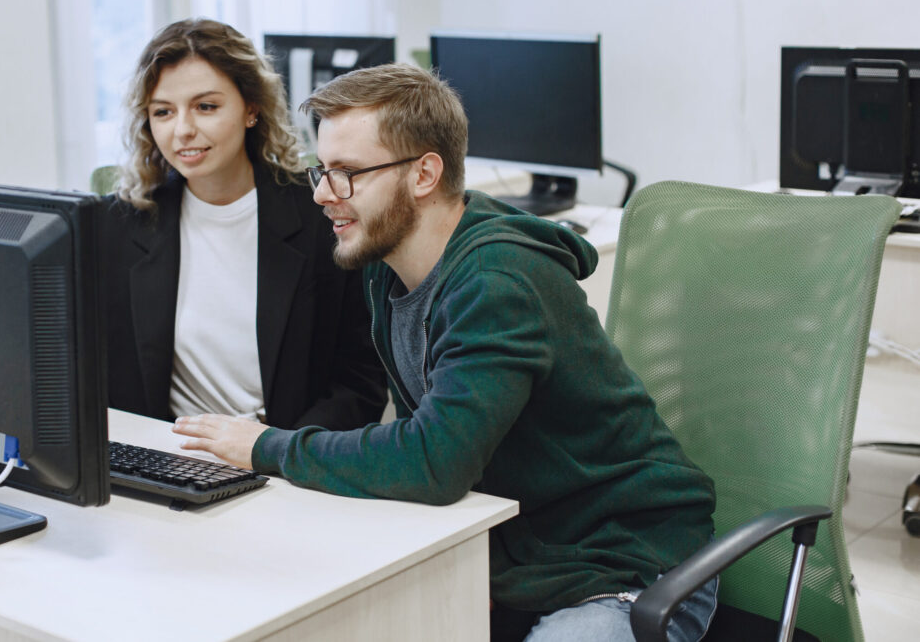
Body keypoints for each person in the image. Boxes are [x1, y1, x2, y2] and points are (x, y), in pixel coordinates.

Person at [172, 63, 718, 641]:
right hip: (525, 559)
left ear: (425, 173)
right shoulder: (389, 267)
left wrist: (267, 447)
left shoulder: (497, 282)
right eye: (322, 171)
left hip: (632, 566)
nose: (325, 195)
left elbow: (435, 462)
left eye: (348, 173)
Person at [97, 18, 386, 431]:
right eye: (163, 112)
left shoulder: (323, 215)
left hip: (288, 463)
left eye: (206, 107)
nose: (183, 130)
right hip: (170, 462)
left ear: (251, 108)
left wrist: (276, 452)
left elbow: (361, 383)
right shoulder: (118, 227)